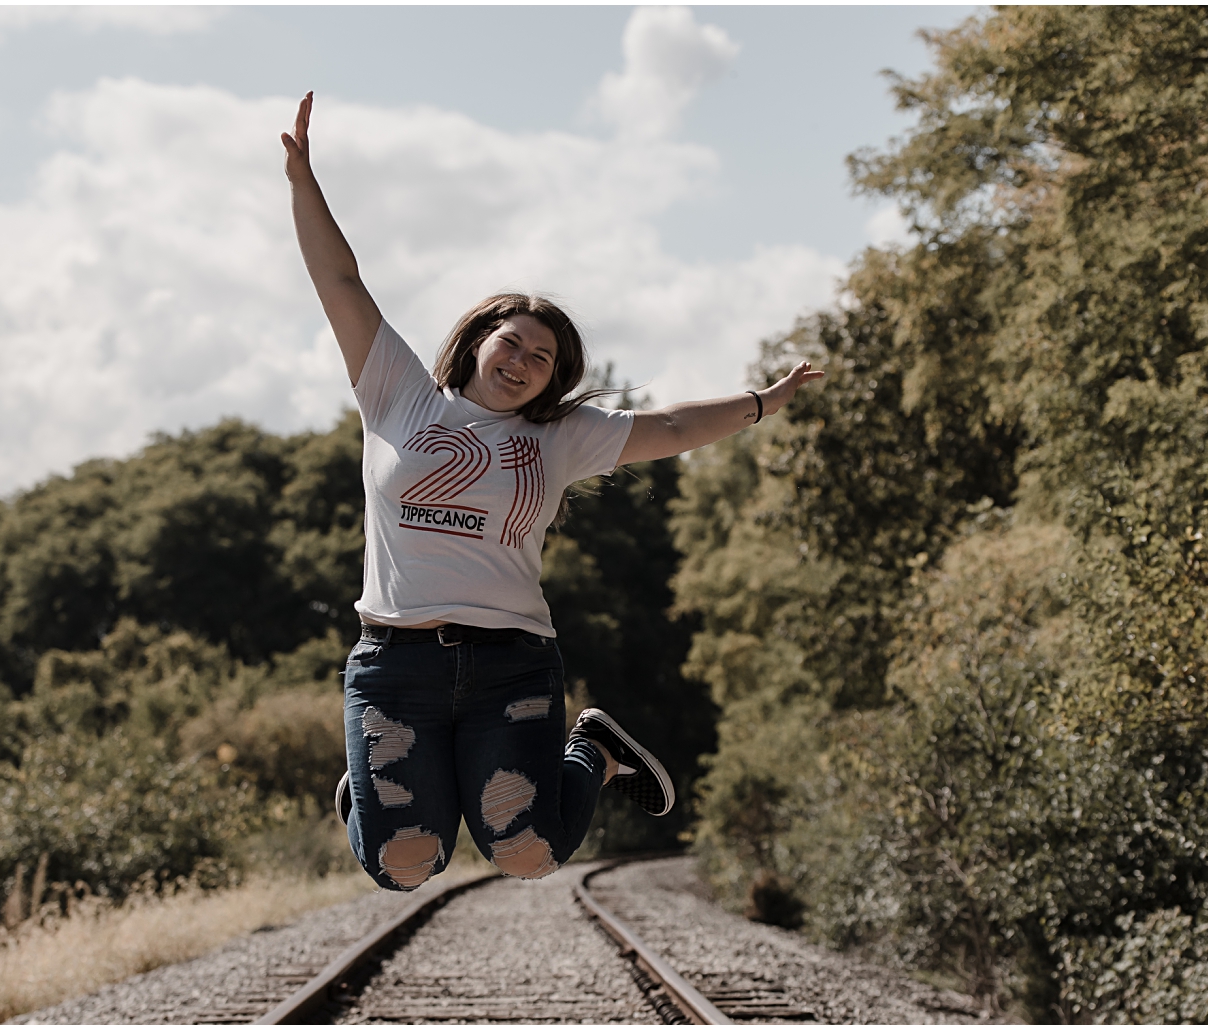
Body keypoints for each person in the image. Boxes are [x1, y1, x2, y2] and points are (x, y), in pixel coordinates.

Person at [284, 92, 822, 892]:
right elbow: (340, 277)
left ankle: (595, 751)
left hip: (511, 665)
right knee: (401, 865)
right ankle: (380, 792)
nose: (525, 359)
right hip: (397, 664)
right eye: (514, 341)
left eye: (546, 358)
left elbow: (670, 428)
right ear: (476, 342)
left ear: (554, 381)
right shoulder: (398, 393)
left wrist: (760, 403)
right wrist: (302, 176)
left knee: (528, 852)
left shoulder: (558, 438)